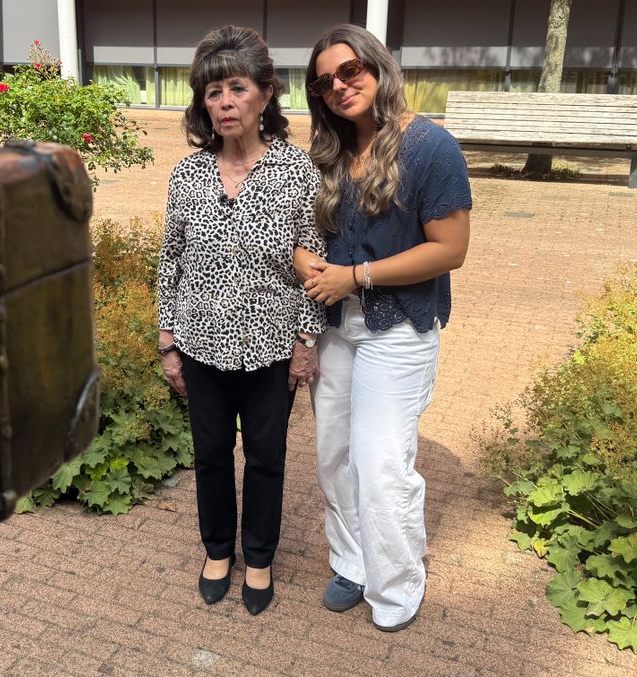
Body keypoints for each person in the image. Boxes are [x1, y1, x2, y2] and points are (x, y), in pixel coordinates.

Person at [295, 24, 472, 632]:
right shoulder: (329, 152)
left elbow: (450, 249)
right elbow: (306, 234)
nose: (339, 87)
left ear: (378, 67)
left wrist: (357, 276)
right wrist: (304, 259)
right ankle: (352, 563)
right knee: (334, 456)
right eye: (324, 83)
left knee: (380, 463)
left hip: (398, 327)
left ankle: (396, 584)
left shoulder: (429, 147)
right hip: (335, 326)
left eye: (350, 71)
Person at [157, 25, 325, 616]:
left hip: (271, 346)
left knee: (266, 457)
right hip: (200, 345)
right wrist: (167, 340)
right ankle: (217, 551)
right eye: (212, 93)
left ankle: (258, 557)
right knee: (209, 454)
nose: (224, 103)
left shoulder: (298, 172)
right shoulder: (188, 174)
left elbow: (314, 262)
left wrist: (306, 340)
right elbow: (172, 259)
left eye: (236, 88)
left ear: (265, 94)